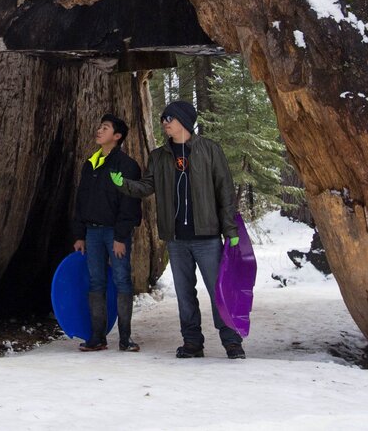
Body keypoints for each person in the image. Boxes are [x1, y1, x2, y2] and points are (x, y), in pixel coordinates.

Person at [113, 99, 246, 359]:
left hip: (207, 238)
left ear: (184, 121)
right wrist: (124, 184)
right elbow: (147, 186)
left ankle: (232, 342)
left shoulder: (209, 150)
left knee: (219, 292)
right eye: (163, 119)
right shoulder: (159, 156)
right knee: (185, 295)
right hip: (176, 239)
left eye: (169, 118)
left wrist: (230, 231)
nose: (164, 123)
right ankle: (192, 343)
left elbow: (225, 192)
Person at [71, 113, 143, 352]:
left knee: (122, 279)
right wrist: (79, 234)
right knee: (96, 281)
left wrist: (121, 237)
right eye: (99, 126)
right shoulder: (90, 163)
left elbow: (130, 204)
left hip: (115, 233)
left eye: (105, 128)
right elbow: (81, 200)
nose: (99, 130)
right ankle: (97, 337)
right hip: (92, 233)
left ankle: (125, 338)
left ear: (117, 136)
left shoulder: (127, 166)